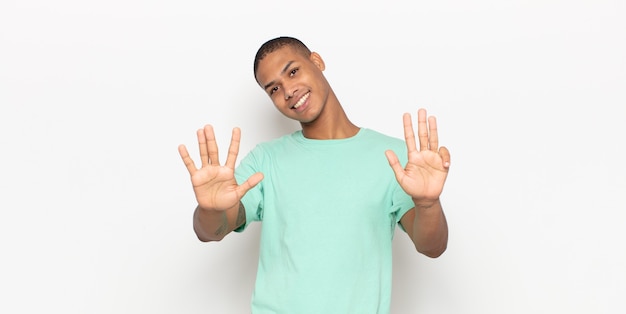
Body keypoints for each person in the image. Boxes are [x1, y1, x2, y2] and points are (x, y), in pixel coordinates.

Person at [178, 36, 451, 314]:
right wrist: (209, 209)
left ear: (317, 61)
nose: (288, 91)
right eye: (274, 88)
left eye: (293, 71)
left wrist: (428, 204)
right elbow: (212, 230)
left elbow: (432, 246)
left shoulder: (393, 157)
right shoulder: (266, 160)